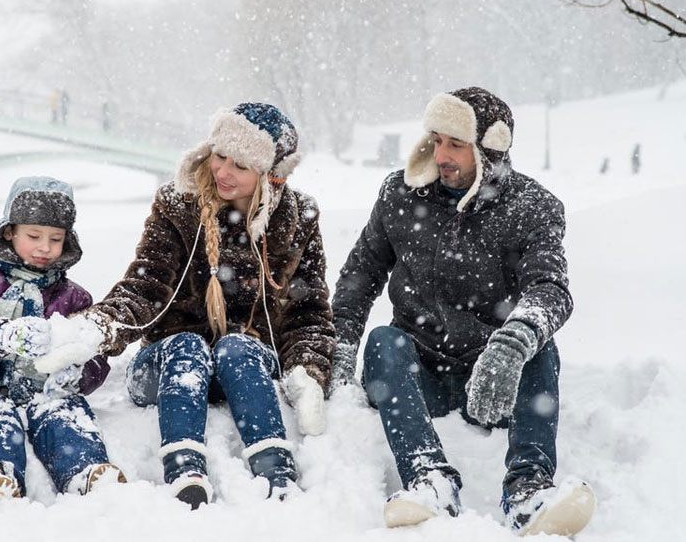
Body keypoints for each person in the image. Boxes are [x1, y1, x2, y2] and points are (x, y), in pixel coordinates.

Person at [331, 87, 595, 536]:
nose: (441, 154)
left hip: (494, 382)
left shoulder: (532, 207)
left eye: (456, 144)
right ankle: (428, 478)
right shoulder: (399, 195)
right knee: (382, 341)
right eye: (436, 140)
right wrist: (338, 351)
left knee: (539, 344)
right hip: (418, 376)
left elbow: (550, 289)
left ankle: (529, 490)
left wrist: (511, 345)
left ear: (489, 150)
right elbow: (359, 278)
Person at [70, 103, 335, 509]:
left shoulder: (300, 218)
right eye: (220, 156)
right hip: (168, 367)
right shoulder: (178, 205)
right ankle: (185, 466)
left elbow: (309, 311)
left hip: (243, 370)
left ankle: (275, 468)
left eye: (241, 166)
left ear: (270, 176)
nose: (223, 172)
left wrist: (307, 370)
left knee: (238, 346)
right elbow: (145, 287)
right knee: (188, 347)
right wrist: (98, 327)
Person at [0, 176, 126, 509]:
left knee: (66, 416)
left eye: (55, 239)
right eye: (34, 236)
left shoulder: (74, 297)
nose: (45, 248)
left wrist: (78, 374)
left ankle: (85, 469)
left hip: (46, 390)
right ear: (9, 231)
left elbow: (94, 354)